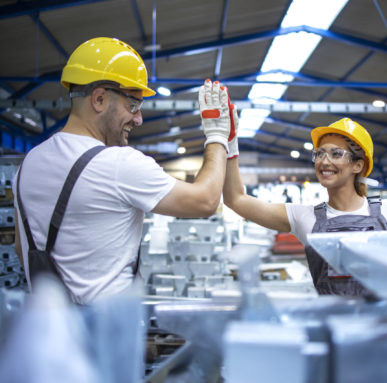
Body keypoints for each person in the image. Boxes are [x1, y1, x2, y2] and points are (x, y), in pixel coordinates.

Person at [13, 37, 233, 305]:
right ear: (100, 98)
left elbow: (21, 250)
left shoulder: (27, 166)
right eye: (133, 104)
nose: (138, 119)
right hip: (106, 338)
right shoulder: (118, 165)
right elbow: (206, 200)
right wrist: (217, 135)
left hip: (48, 334)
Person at [223, 115, 387, 299]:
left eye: (336, 154)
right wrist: (229, 143)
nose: (324, 161)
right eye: (320, 153)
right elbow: (236, 200)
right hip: (330, 325)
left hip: (382, 324)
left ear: (358, 165)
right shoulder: (305, 218)